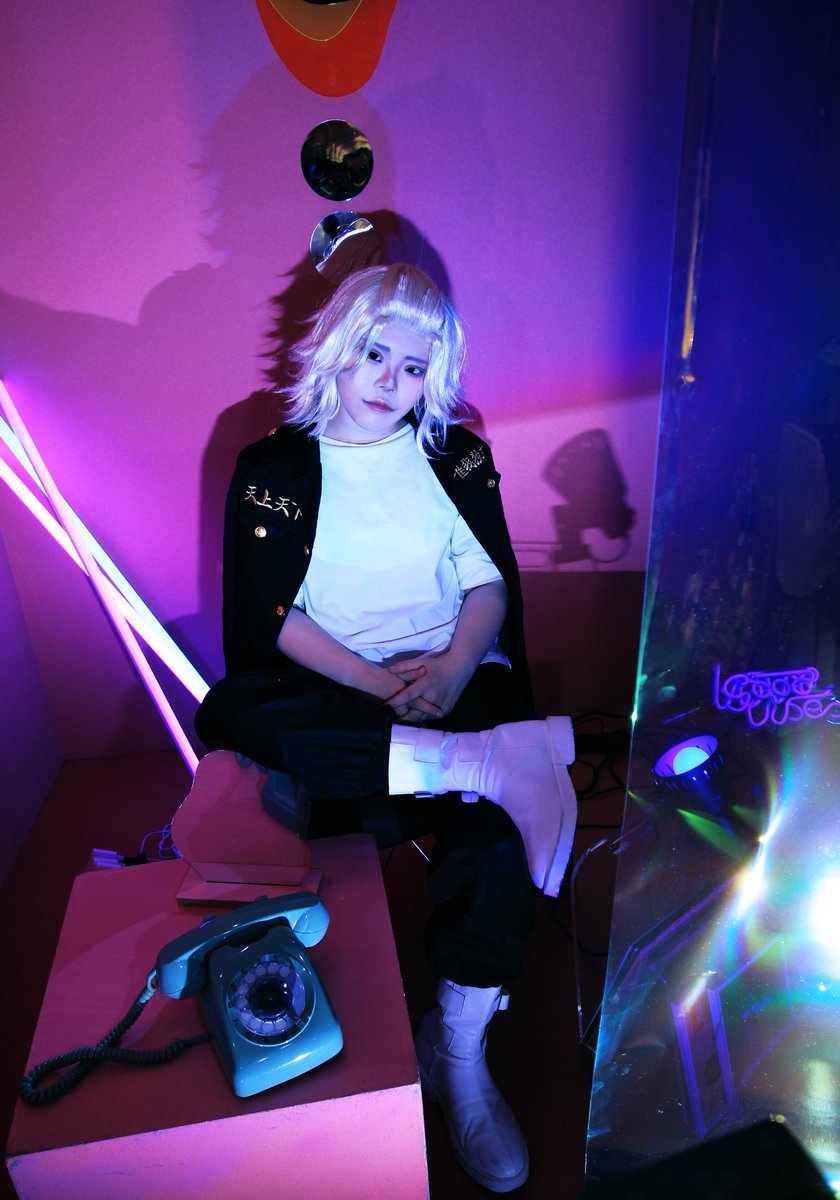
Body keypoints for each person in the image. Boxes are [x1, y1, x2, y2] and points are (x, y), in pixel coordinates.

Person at [196, 263, 577, 1194]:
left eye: (414, 367)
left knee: (497, 841)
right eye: (374, 354)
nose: (390, 382)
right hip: (343, 690)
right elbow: (274, 620)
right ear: (336, 344)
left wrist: (450, 669)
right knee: (233, 712)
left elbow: (487, 585)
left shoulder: (451, 457)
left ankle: (459, 1052)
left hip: (454, 677)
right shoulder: (274, 470)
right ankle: (483, 763)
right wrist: (375, 683)